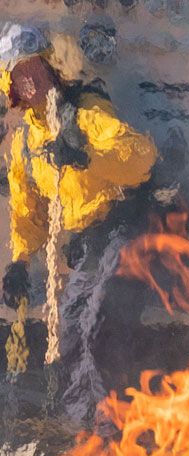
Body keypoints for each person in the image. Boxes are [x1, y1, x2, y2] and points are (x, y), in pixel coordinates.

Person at [0, 21, 159, 427]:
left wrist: (86, 153)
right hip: (89, 242)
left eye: (36, 68)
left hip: (125, 229)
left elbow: (140, 157)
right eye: (19, 72)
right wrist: (20, 263)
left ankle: (113, 431)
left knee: (100, 327)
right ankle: (82, 433)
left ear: (52, 68)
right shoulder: (25, 144)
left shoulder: (86, 112)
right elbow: (27, 210)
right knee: (70, 331)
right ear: (9, 84)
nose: (31, 78)